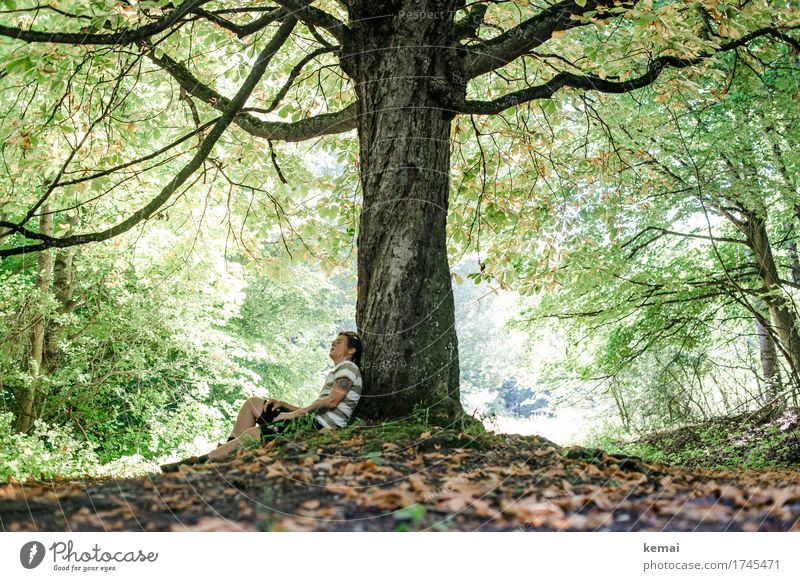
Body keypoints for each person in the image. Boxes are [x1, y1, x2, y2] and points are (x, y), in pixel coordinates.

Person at [159, 331, 363, 472]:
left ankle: (200, 463)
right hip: (311, 420)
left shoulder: (348, 368)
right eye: (333, 341)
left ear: (351, 350)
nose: (333, 343)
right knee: (254, 404)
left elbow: (333, 401)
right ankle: (229, 451)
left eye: (339, 341)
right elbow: (322, 405)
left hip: (319, 428)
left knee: (253, 434)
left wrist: (294, 414)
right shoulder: (338, 370)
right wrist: (286, 405)